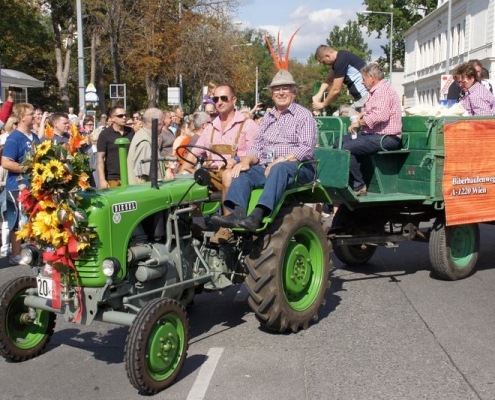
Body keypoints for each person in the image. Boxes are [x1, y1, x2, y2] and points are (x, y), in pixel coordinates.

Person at [211, 70, 316, 233]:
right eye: (276, 89)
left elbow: (306, 148)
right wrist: (246, 161)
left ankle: (258, 215)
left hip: (297, 167)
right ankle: (237, 214)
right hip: (268, 167)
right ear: (272, 93)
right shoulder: (268, 117)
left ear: (293, 92)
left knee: (279, 168)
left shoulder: (303, 115)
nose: (281, 92)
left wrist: (280, 160)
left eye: (285, 88)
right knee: (242, 172)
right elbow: (257, 147)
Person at [180, 83, 259, 243]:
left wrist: (236, 159)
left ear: (233, 100)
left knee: (228, 176)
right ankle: (196, 222)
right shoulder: (211, 127)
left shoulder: (247, 124)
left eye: (224, 98)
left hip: (239, 174)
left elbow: (255, 152)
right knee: (186, 176)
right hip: (213, 173)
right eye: (216, 99)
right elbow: (196, 152)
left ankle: (227, 227)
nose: (219, 102)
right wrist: (184, 167)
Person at [344, 62, 403, 196]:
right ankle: (352, 181)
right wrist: (362, 114)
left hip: (387, 138)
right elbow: (377, 110)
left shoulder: (382, 91)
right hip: (374, 136)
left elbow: (380, 115)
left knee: (346, 147)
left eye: (363, 79)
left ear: (371, 77)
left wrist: (359, 123)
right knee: (338, 142)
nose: (362, 83)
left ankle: (359, 185)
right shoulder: (375, 92)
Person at [1, 103, 41, 265]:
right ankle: (16, 254)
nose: (35, 116)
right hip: (16, 187)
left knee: (34, 219)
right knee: (17, 221)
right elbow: (5, 162)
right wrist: (27, 168)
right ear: (22, 118)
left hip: (35, 186)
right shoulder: (14, 138)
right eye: (31, 114)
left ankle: (34, 251)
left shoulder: (34, 137)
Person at [312, 44, 368, 116]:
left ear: (327, 56)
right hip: (362, 98)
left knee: (353, 119)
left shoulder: (341, 61)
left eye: (323, 62)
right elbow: (328, 80)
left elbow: (336, 90)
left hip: (365, 98)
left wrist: (323, 104)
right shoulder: (342, 57)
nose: (324, 64)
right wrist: (318, 95)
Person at [97, 106, 134, 188]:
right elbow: (100, 158)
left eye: (125, 115)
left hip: (130, 176)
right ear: (112, 118)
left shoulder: (131, 131)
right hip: (113, 178)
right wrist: (102, 180)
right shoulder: (105, 134)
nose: (124, 117)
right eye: (120, 116)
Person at [127, 108, 167, 184]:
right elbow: (140, 178)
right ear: (157, 123)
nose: (163, 126)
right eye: (163, 123)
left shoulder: (146, 136)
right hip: (146, 194)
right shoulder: (145, 143)